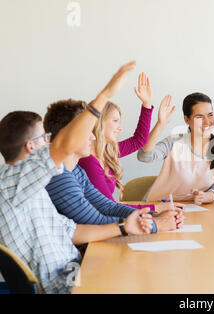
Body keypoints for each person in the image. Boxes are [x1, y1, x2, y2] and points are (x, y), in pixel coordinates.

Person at [0, 61, 152, 293]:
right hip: (63, 284)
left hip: (75, 268)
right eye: (44, 138)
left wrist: (124, 227)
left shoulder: (33, 188)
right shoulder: (11, 182)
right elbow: (62, 144)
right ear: (31, 147)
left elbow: (73, 231)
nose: (49, 141)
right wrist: (105, 95)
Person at [43, 99, 184, 229]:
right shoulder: (68, 173)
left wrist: (152, 216)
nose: (92, 136)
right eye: (115, 121)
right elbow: (97, 220)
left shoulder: (79, 170)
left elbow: (108, 207)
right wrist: (155, 222)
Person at [137, 93, 214, 205]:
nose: (207, 122)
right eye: (199, 117)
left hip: (194, 210)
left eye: (210, 115)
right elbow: (144, 156)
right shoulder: (174, 142)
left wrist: (205, 196)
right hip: (158, 206)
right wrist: (161, 124)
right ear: (187, 120)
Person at [78, 72, 154, 202]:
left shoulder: (107, 151)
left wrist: (147, 104)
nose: (120, 127)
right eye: (115, 121)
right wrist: (155, 209)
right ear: (99, 122)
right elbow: (110, 207)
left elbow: (139, 140)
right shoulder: (88, 161)